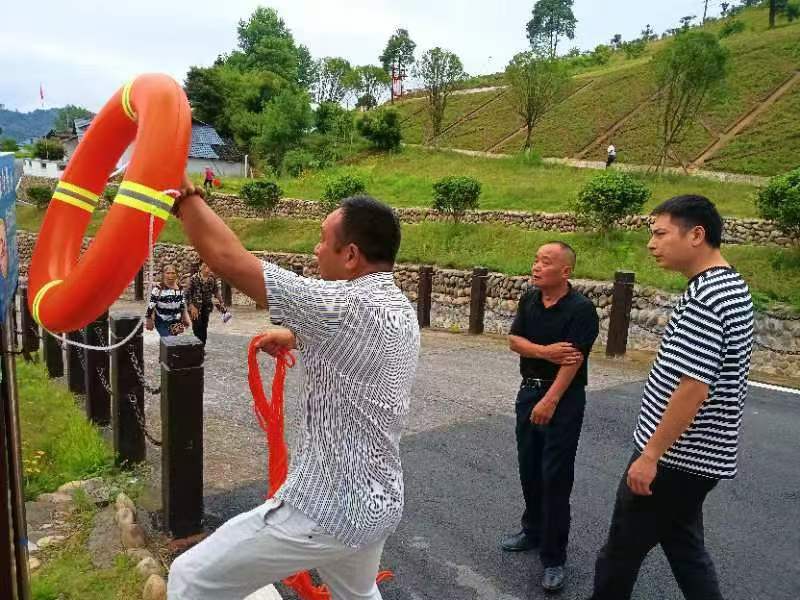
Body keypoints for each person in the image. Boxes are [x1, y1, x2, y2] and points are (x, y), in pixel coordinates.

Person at [166, 178, 421, 600]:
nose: (315, 250)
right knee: (358, 595)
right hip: (377, 502)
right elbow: (359, 347)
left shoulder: (341, 305)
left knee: (190, 577)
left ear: (351, 255)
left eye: (323, 240)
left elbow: (228, 259)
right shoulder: (398, 308)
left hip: (325, 510)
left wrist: (186, 199)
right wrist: (296, 337)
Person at [588, 195, 754, 600]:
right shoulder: (731, 286)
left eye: (660, 234)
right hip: (700, 458)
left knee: (619, 554)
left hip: (676, 459)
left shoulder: (706, 298)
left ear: (696, 234)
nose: (651, 244)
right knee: (684, 549)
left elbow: (693, 388)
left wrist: (650, 456)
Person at [501, 241, 599, 592]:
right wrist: (543, 351)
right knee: (529, 467)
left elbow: (572, 360)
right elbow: (514, 341)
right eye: (536, 260)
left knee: (555, 476)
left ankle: (554, 557)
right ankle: (532, 531)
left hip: (563, 398)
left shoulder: (581, 310)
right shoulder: (530, 299)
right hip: (529, 392)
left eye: (545, 261)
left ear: (565, 271)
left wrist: (550, 400)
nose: (537, 266)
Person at [185, 261, 228, 346]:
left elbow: (216, 291)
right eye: (205, 266)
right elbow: (187, 294)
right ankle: (198, 345)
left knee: (204, 326)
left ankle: (202, 346)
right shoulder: (194, 278)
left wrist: (221, 302)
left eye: (209, 267)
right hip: (195, 307)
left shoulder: (211, 279)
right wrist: (191, 306)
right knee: (197, 326)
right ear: (200, 267)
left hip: (207, 306)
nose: (207, 269)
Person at [145, 263, 190, 337]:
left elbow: (182, 305)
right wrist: (149, 320)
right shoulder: (158, 289)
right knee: (168, 339)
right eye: (168, 273)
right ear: (163, 274)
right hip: (162, 321)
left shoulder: (180, 288)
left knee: (174, 341)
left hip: (176, 321)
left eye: (173, 273)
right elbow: (151, 306)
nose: (170, 275)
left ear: (176, 274)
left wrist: (185, 318)